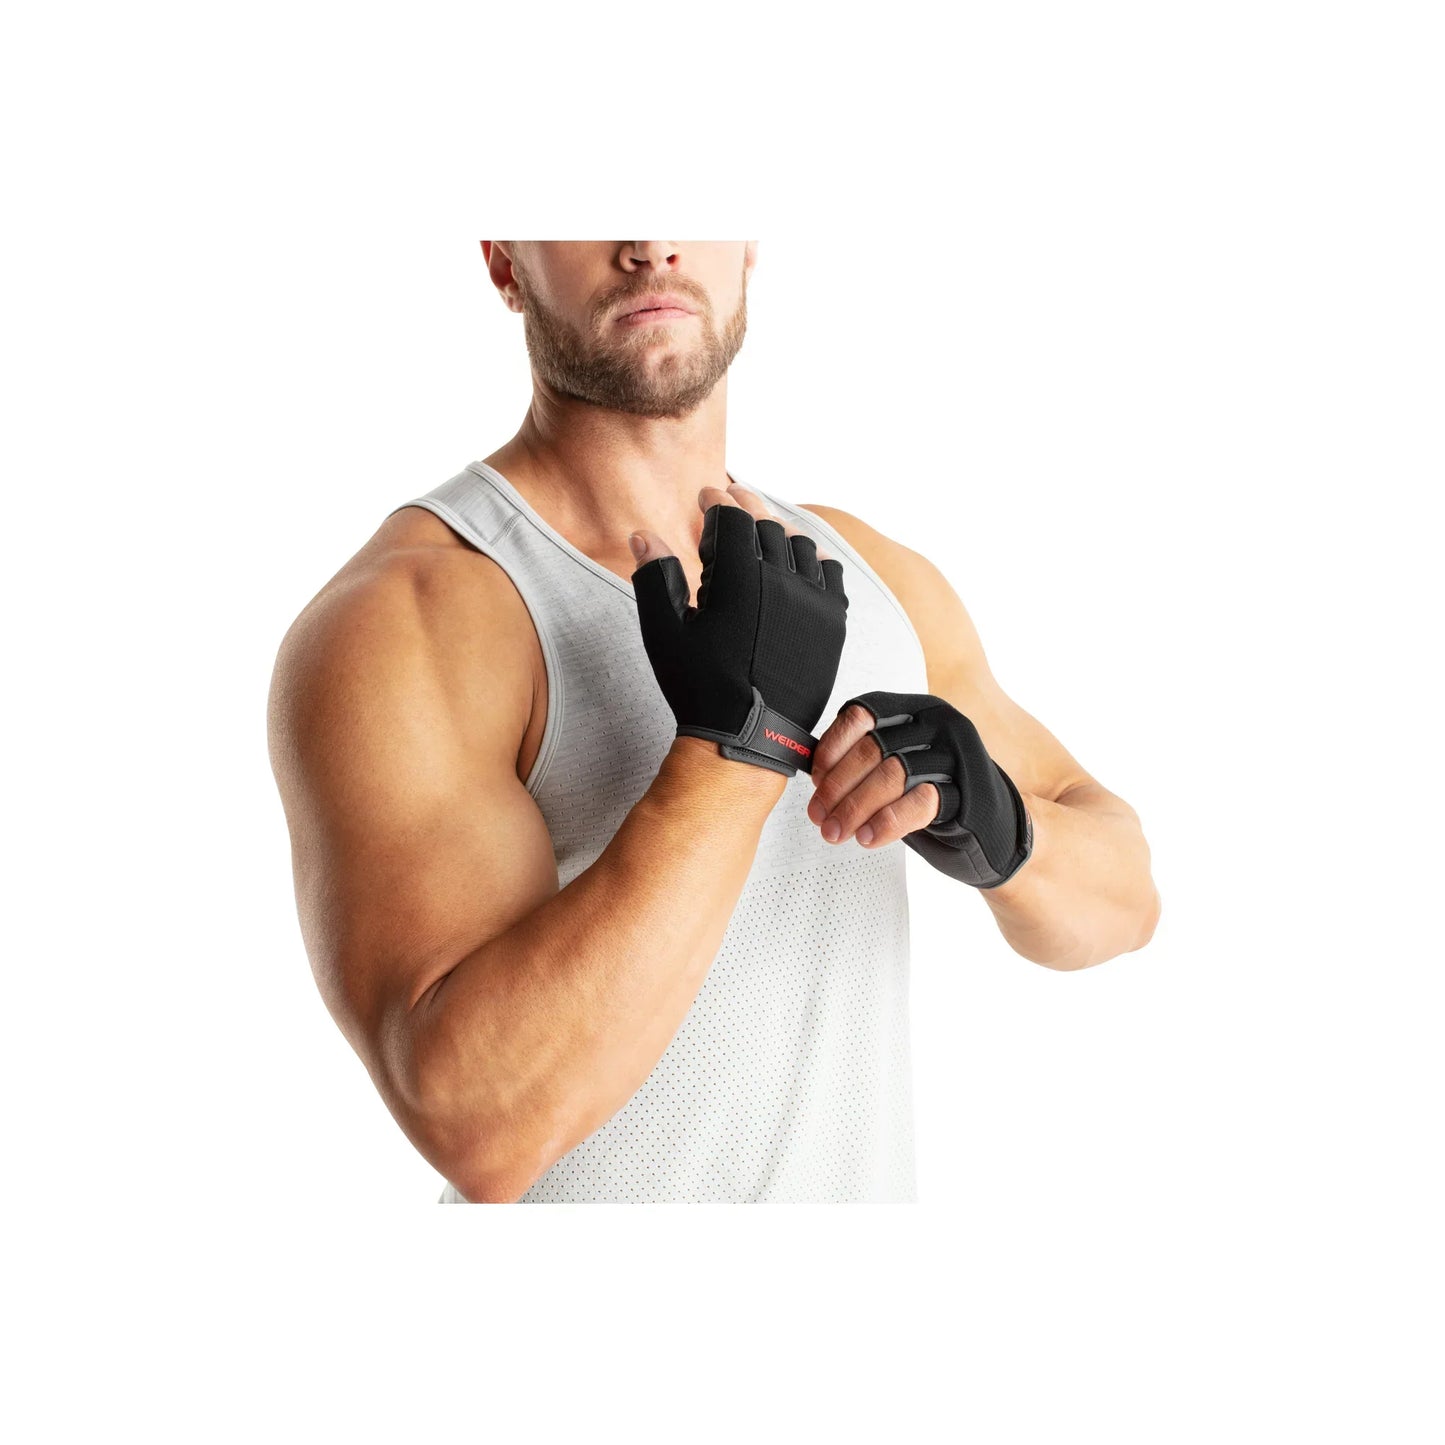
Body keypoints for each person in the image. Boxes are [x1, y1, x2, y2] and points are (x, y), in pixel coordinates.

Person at [266, 241, 1161, 1203]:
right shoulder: (412, 614)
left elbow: (1126, 904)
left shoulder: (867, 575)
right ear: (503, 260)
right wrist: (736, 749)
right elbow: (476, 1124)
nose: (649, 242)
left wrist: (1001, 824)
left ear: (747, 246)